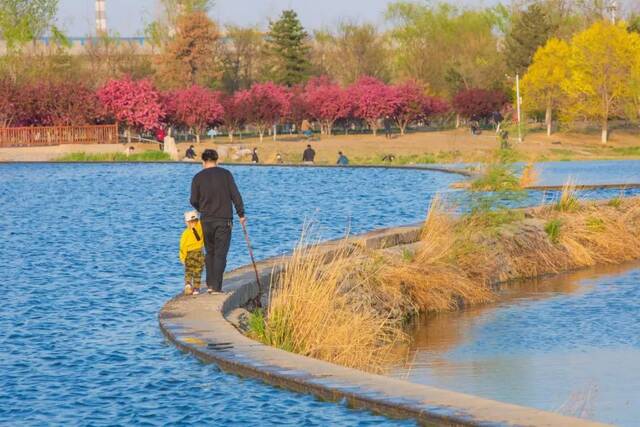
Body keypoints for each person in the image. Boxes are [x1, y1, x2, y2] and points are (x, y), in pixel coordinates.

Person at [190, 149, 246, 294]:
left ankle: (209, 284)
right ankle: (216, 286)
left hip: (206, 220)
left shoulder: (198, 177)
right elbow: (236, 195)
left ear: (203, 161)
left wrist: (201, 209)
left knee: (210, 252)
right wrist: (241, 214)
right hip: (224, 219)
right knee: (220, 253)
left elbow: (193, 200)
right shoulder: (226, 174)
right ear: (217, 160)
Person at [179, 211, 205, 296]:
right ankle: (196, 288)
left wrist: (182, 257)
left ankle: (188, 284)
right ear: (197, 221)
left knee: (188, 271)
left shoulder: (185, 233)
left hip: (189, 254)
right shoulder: (201, 228)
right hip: (199, 253)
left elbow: (182, 246)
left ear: (187, 222)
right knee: (198, 271)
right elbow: (202, 220)